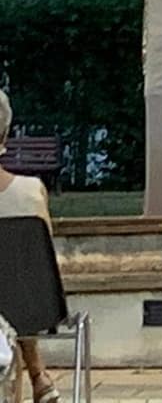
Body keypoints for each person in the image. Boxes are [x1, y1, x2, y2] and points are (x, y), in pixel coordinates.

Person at [0, 90, 62, 403]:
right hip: (25, 307)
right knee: (17, 287)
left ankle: (38, 376)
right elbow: (42, 261)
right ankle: (38, 373)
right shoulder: (30, 192)